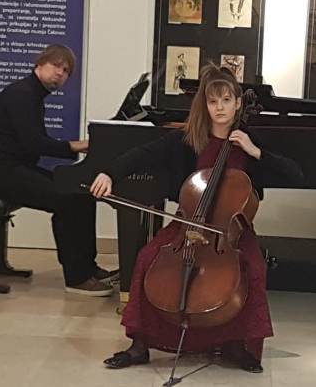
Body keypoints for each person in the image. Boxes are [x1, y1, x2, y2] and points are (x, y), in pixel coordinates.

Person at [89, 63, 303, 372]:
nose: (220, 107)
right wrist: (109, 173)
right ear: (205, 105)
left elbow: (295, 174)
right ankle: (139, 345)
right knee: (147, 258)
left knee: (254, 269)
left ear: (238, 103)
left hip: (232, 231)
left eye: (226, 100)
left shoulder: (249, 140)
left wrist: (256, 152)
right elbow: (143, 154)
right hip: (188, 223)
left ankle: (236, 343)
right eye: (213, 101)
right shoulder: (189, 138)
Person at [0, 44, 117, 297]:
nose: (60, 74)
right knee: (66, 200)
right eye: (56, 66)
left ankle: (89, 267)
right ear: (39, 64)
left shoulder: (33, 95)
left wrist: (76, 147)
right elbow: (34, 143)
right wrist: (78, 146)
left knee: (80, 193)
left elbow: (33, 143)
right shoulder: (21, 94)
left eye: (66, 71)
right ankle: (76, 277)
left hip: (13, 168)